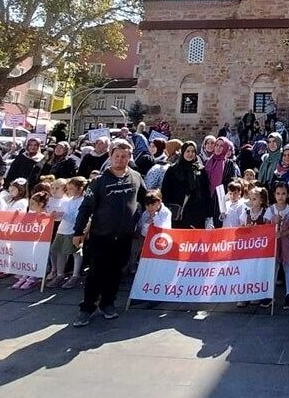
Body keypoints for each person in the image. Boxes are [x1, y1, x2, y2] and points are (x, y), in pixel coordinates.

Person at [72, 139, 147, 327]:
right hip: (101, 235)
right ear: (110, 157)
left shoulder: (136, 177)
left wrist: (137, 216)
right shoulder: (98, 181)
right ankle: (87, 308)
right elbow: (85, 208)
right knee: (96, 272)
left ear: (129, 158)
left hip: (124, 236)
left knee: (115, 272)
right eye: (116, 156)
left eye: (124, 156)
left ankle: (108, 304)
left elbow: (145, 199)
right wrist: (78, 231)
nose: (120, 159)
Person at [48, 176, 87, 289]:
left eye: (71, 188)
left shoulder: (82, 201)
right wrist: (56, 215)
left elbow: (77, 217)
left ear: (80, 189)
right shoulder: (69, 200)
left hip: (73, 230)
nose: (68, 190)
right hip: (63, 229)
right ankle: (60, 274)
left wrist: (63, 215)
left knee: (75, 252)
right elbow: (63, 214)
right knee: (60, 251)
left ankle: (75, 275)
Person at [164, 141, 211, 229]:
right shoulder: (173, 170)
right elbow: (166, 190)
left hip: (196, 212)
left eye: (193, 151)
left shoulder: (200, 169)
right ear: (183, 152)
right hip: (179, 211)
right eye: (188, 151)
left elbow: (205, 191)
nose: (190, 154)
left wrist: (207, 212)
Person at [267, 182, 289, 309]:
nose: (281, 197)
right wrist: (274, 225)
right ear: (274, 195)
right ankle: (270, 294)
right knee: (274, 267)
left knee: (287, 265)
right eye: (278, 194)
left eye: (283, 194)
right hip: (274, 242)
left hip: (286, 242)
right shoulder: (271, 210)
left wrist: (283, 232)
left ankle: (288, 294)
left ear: (288, 194)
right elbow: (266, 225)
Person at [11, 191, 49, 290]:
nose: (30, 205)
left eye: (33, 204)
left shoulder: (44, 215)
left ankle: (33, 277)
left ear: (40, 204)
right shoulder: (30, 213)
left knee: (34, 258)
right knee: (27, 257)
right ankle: (25, 276)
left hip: (38, 242)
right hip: (29, 241)